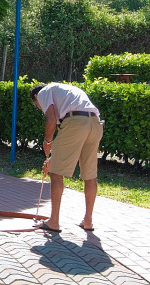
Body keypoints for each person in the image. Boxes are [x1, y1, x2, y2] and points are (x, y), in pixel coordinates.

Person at [30, 83, 104, 233]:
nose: (39, 108)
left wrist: (47, 142)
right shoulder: (64, 91)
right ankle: (88, 221)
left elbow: (51, 121)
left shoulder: (43, 92)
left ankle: (54, 222)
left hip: (76, 122)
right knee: (90, 175)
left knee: (56, 173)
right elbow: (69, 142)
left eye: (36, 105)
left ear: (36, 97)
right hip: (94, 123)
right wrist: (52, 158)